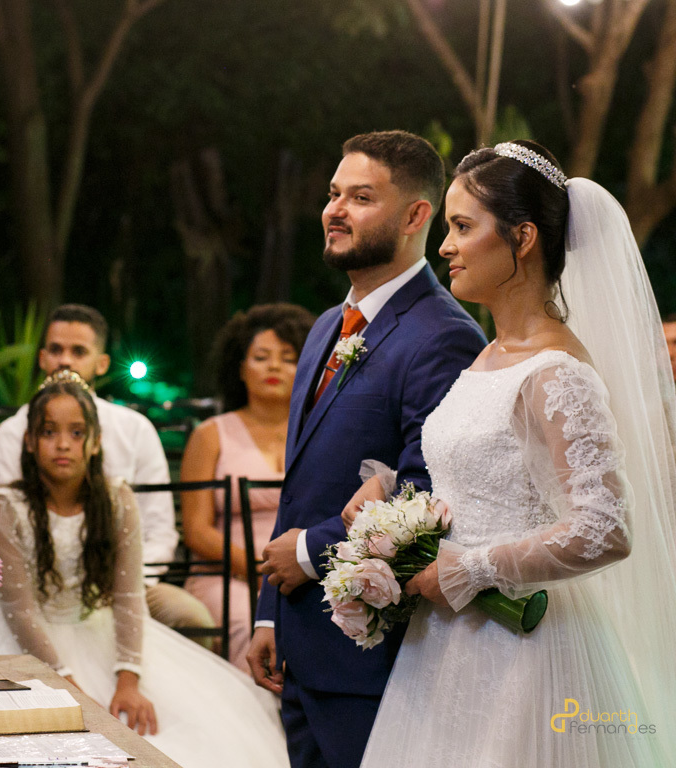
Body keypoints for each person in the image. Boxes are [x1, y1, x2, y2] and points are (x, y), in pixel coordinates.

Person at [354, 141, 676, 766]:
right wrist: (392, 504)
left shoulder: (558, 371)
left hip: (524, 650)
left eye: (463, 227)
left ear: (522, 237)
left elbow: (605, 528)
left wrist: (471, 568)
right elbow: (483, 478)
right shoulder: (488, 353)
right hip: (445, 645)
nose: (445, 246)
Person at [247, 131, 487, 768]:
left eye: (360, 197)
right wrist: (272, 614)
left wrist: (305, 550)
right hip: (300, 639)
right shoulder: (327, 325)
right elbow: (301, 483)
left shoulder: (445, 337)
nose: (335, 210)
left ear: (415, 216)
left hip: (373, 654)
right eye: (333, 194)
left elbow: (425, 495)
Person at [0, 372, 290, 768]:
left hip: (100, 630)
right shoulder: (3, 507)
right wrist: (64, 684)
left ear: (95, 441)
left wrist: (128, 678)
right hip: (21, 641)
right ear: (30, 442)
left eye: (76, 432)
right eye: (49, 432)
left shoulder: (116, 498)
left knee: (180, 737)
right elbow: (19, 609)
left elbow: (127, 595)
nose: (63, 444)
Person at [0, 304, 213, 634]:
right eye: (56, 350)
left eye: (78, 351)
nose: (65, 360)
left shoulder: (134, 429)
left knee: (193, 618)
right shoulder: (11, 432)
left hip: (131, 584)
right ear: (43, 358)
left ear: (101, 363)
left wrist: (126, 585)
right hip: (36, 592)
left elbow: (160, 529)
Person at [180, 302, 316, 671]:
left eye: (288, 358)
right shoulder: (210, 435)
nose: (273, 366)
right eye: (261, 356)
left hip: (305, 567)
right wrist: (261, 570)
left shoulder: (318, 432)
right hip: (228, 573)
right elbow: (196, 530)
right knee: (247, 621)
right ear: (240, 367)